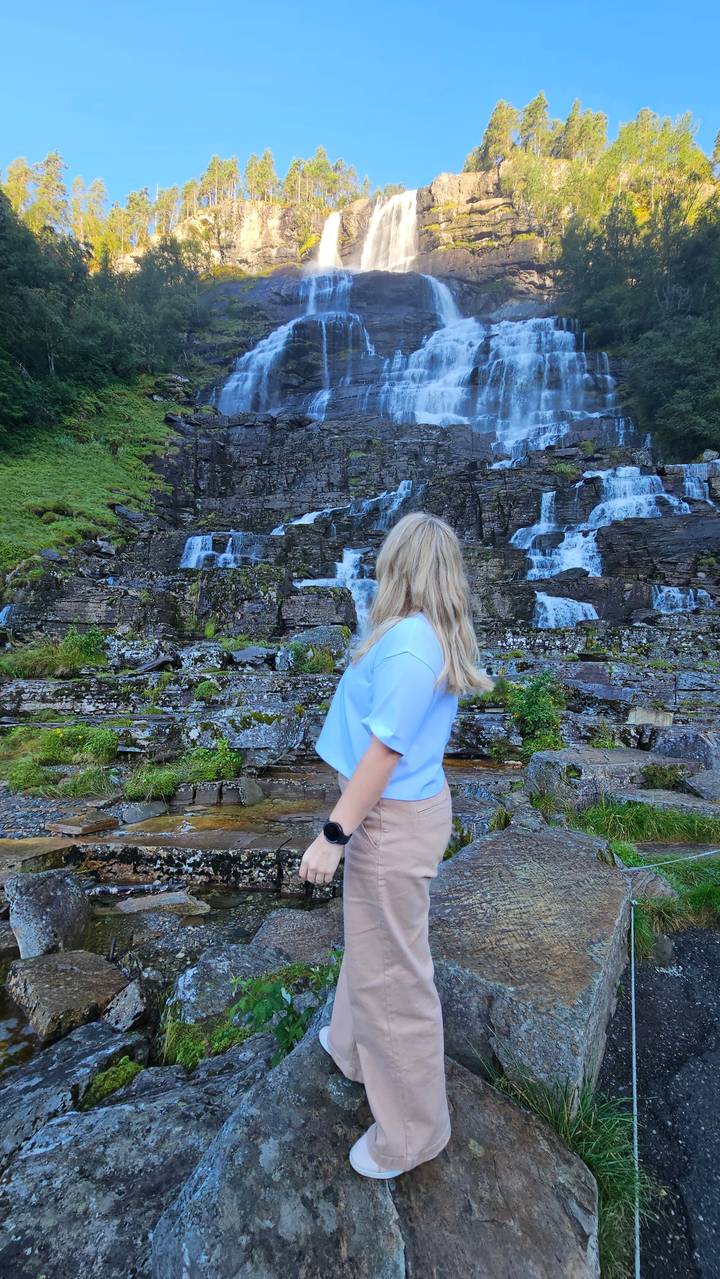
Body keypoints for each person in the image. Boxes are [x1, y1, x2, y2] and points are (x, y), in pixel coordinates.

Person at [299, 511, 493, 1179]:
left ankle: (414, 1132)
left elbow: (382, 754)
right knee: (374, 942)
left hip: (387, 818)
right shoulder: (423, 633)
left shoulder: (410, 645)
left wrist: (332, 833)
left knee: (395, 977)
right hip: (403, 810)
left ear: (400, 564)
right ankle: (353, 1047)